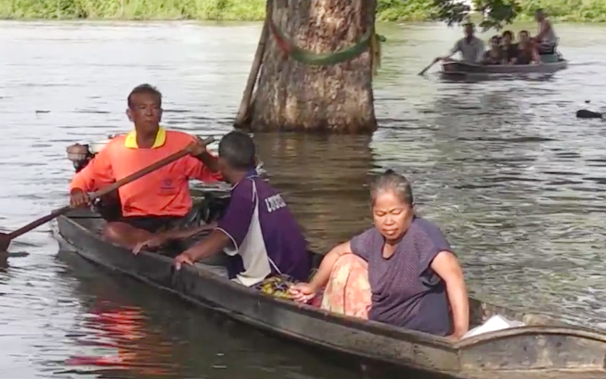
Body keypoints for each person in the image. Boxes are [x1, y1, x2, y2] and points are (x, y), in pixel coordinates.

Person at [289, 170, 470, 340]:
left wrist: (460, 333)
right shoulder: (374, 238)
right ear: (373, 213)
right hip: (383, 326)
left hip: (419, 332)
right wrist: (314, 286)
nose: (388, 222)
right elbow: (337, 253)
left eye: (396, 213)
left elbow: (454, 276)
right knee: (347, 262)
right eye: (380, 214)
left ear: (411, 209)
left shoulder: (422, 237)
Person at [135, 130, 311, 290]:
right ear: (254, 160)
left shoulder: (244, 193)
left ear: (222, 163)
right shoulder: (261, 186)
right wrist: (166, 237)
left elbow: (223, 236)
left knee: (187, 270)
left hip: (273, 280)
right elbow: (218, 227)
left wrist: (188, 255)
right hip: (298, 272)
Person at [69, 84, 221, 249]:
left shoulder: (183, 143)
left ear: (161, 113)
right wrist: (77, 192)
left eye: (155, 108)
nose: (149, 113)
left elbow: (220, 174)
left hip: (178, 220)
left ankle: (162, 241)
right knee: (113, 231)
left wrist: (203, 155)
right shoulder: (116, 148)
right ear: (130, 114)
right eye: (142, 108)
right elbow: (84, 179)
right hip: (137, 222)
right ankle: (159, 241)